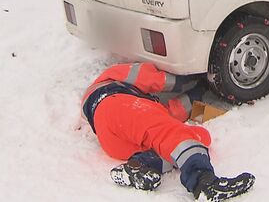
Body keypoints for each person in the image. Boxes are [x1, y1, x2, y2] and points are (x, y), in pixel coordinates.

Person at [81, 62, 255, 201]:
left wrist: (200, 93)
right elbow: (152, 78)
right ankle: (204, 182)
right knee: (172, 136)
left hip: (111, 141)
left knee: (176, 144)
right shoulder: (114, 77)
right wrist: (190, 77)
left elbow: (171, 115)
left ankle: (137, 167)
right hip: (114, 106)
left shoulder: (144, 106)